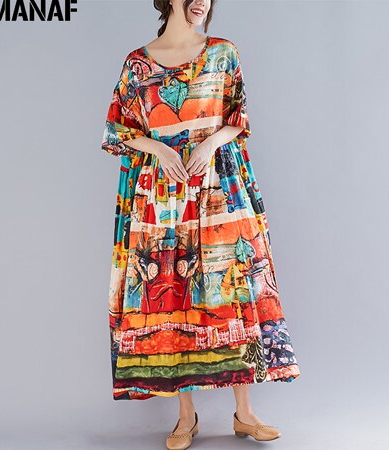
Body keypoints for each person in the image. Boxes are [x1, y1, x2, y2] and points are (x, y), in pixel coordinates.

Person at [100, 1, 300, 448]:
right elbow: (118, 129)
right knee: (171, 290)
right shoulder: (137, 64)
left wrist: (210, 143)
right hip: (162, 194)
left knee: (233, 285)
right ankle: (185, 417)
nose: (201, 1)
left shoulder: (223, 53)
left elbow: (237, 119)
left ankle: (244, 414)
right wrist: (159, 148)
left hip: (218, 187)